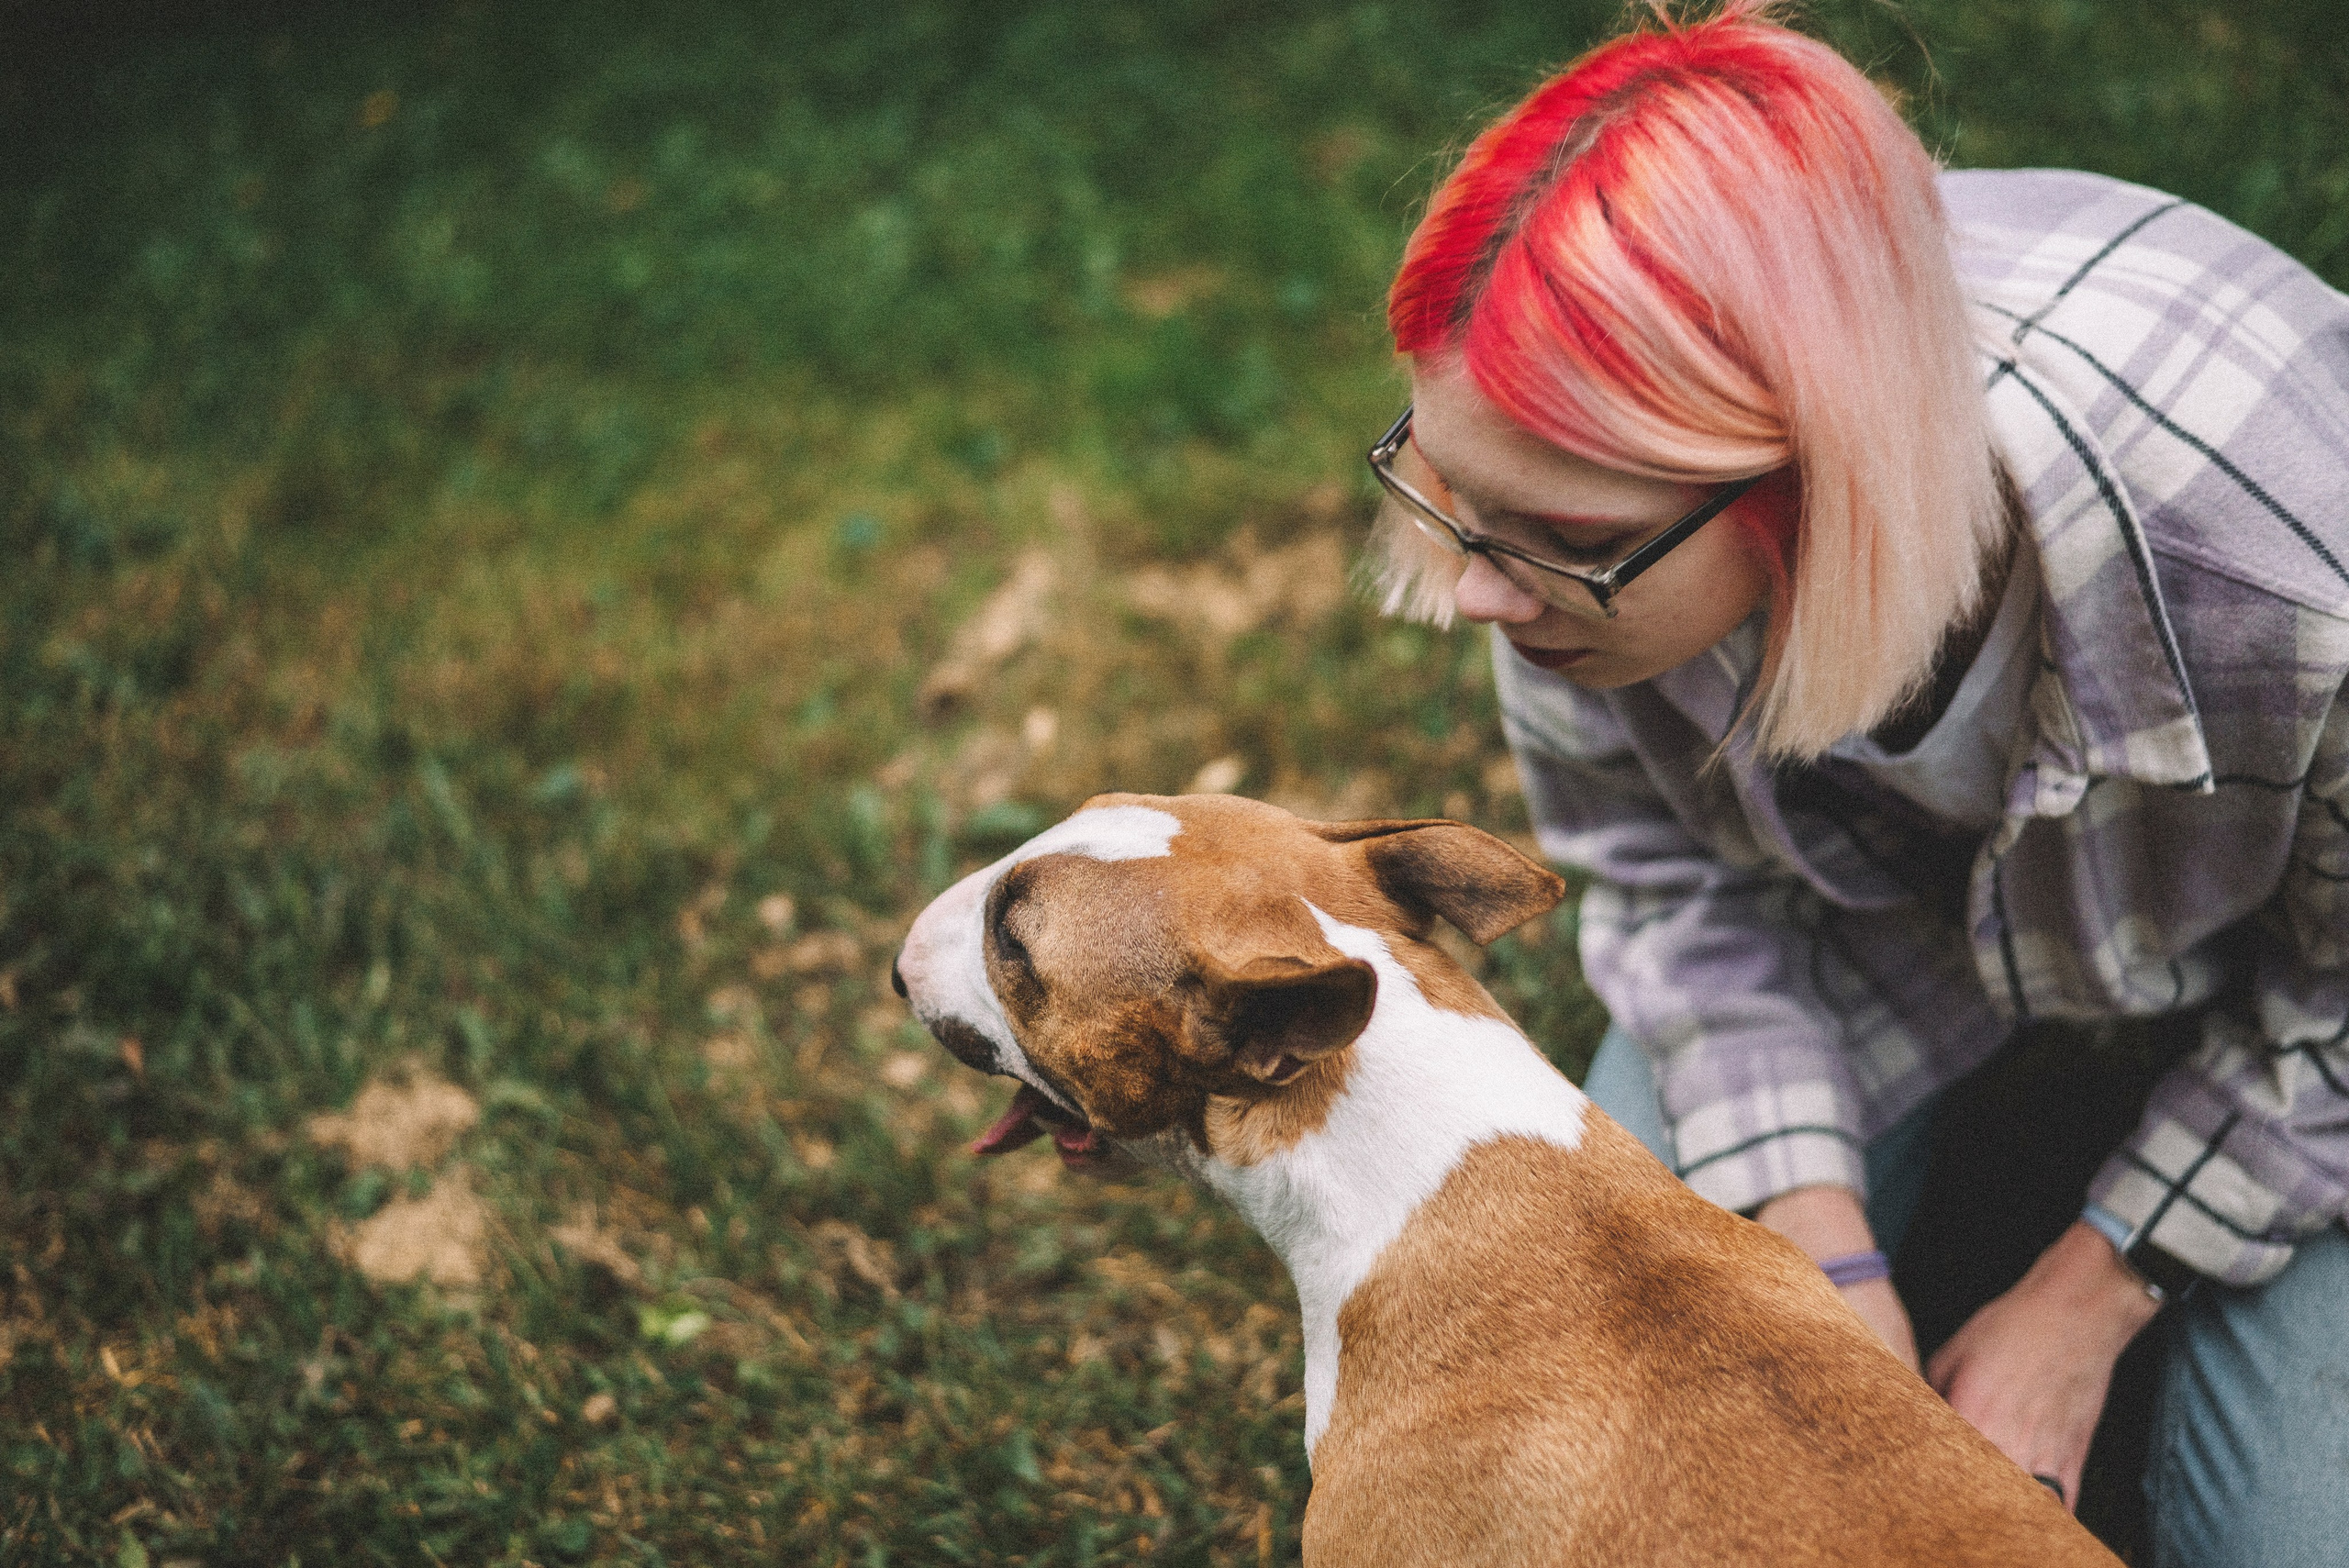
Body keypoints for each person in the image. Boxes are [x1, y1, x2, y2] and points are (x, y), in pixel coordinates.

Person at [1364, 5, 2349, 1564]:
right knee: (1653, 1383)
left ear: (1814, 474)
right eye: (1452, 493)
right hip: (1903, 921)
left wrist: (2084, 1299)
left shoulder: (2282, 569)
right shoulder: (1557, 529)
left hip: (2308, 989)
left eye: (1560, 537)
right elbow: (1679, 887)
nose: (1480, 589)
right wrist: (1824, 1263)